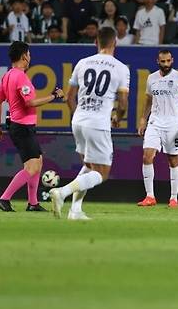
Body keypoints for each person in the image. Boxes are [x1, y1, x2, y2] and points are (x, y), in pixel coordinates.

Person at [50, 27, 130, 220]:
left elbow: (69, 97)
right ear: (115, 43)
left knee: (89, 165)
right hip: (98, 123)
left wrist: (77, 116)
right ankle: (62, 192)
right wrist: (118, 118)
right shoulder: (120, 67)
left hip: (78, 120)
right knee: (102, 173)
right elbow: (123, 102)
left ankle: (75, 210)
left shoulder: (82, 63)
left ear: (96, 42)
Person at [0, 41, 64, 212]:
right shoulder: (20, 76)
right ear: (24, 56)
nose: (30, 57)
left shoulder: (7, 76)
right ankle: (4, 198)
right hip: (22, 127)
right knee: (32, 167)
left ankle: (33, 203)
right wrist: (54, 95)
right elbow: (30, 102)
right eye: (29, 54)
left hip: (19, 126)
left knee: (37, 162)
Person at [137, 50, 178, 208]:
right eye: (163, 61)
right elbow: (149, 99)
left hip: (173, 125)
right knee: (147, 156)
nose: (166, 64)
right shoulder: (151, 78)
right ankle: (150, 196)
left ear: (172, 60)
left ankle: (174, 199)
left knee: (173, 160)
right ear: (158, 61)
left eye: (168, 61)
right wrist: (143, 118)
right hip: (154, 122)